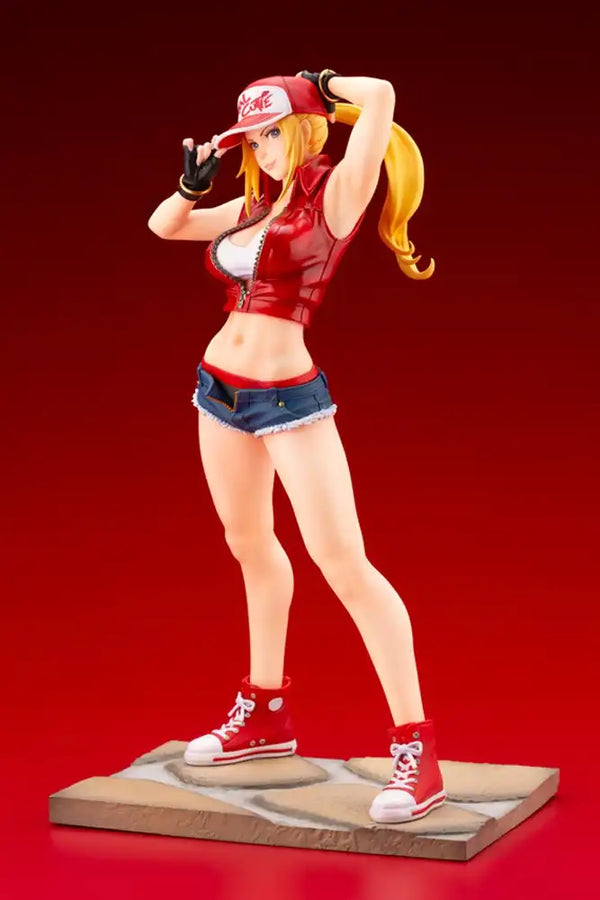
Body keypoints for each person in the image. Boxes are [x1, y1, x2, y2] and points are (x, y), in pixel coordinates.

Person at [147, 70, 445, 824]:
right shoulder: (254, 205)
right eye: (254, 138)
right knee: (249, 545)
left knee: (345, 565)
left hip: (288, 400)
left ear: (307, 129)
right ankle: (265, 713)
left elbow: (382, 96)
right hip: (218, 390)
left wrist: (320, 83)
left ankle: (417, 748)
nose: (264, 148)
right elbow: (165, 228)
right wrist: (190, 186)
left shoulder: (336, 197)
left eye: (274, 132)